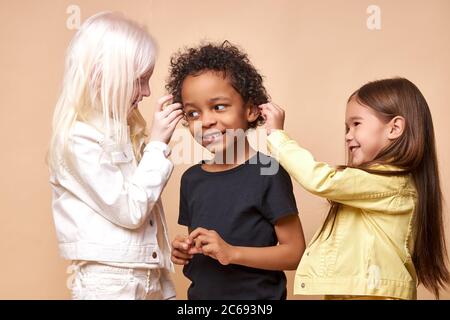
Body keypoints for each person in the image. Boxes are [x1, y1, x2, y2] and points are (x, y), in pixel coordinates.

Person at [260, 77, 450, 300]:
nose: (348, 135)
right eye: (346, 128)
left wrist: (277, 136)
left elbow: (321, 179)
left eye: (356, 124)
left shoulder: (390, 182)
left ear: (395, 128)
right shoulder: (380, 182)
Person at [48, 12, 183, 299]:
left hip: (144, 271)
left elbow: (147, 216)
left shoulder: (122, 132)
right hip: (109, 280)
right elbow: (131, 210)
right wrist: (157, 146)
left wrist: (163, 282)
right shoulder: (78, 139)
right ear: (104, 76)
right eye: (140, 80)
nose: (147, 91)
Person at [167, 41, 305, 300]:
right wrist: (186, 250)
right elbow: (204, 247)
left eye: (218, 107)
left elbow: (294, 252)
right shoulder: (191, 179)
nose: (206, 121)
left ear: (251, 110)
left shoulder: (268, 172)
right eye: (193, 113)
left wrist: (231, 253)